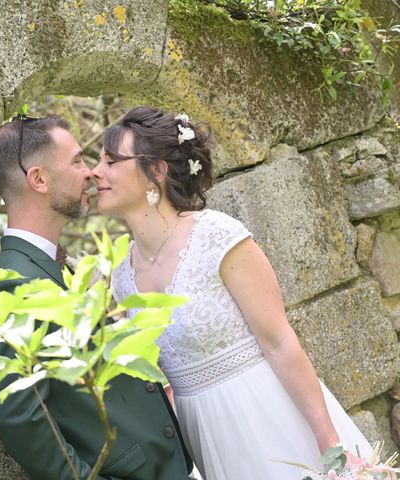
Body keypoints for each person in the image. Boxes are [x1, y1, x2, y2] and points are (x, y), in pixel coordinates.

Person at [92, 106, 373, 480]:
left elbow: (279, 341)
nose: (96, 171)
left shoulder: (217, 236)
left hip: (266, 415)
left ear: (155, 172)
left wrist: (329, 441)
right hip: (202, 441)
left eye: (111, 161)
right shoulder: (121, 277)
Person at [0, 114, 194, 480]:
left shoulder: (59, 267)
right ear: (39, 179)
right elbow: (21, 417)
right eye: (78, 160)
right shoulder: (12, 281)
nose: (90, 173)